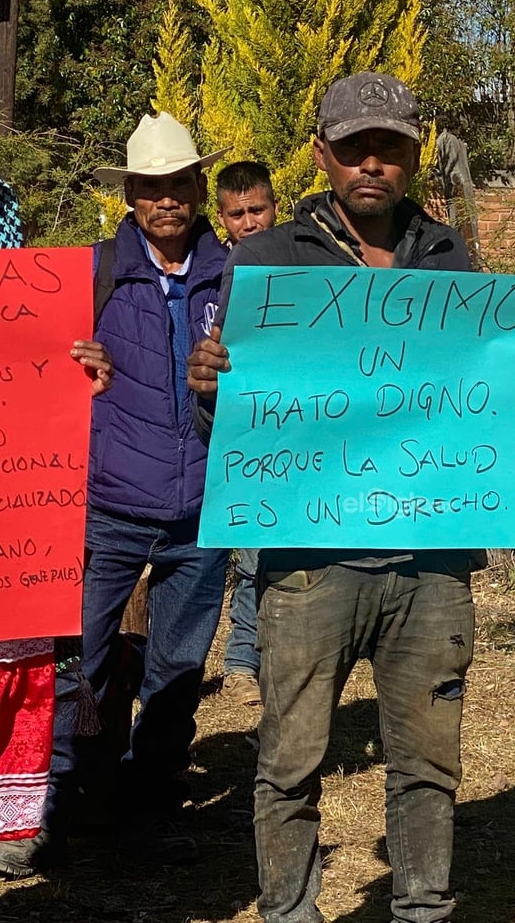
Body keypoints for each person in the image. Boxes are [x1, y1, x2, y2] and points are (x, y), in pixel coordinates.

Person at [188, 70, 515, 923]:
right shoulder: (269, 260)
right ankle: (290, 913)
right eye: (354, 149)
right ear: (322, 154)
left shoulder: (449, 254)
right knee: (290, 762)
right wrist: (208, 385)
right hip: (307, 565)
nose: (371, 164)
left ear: (414, 157)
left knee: (429, 765)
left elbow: (482, 379)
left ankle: (422, 910)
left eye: (391, 149)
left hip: (432, 563)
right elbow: (232, 414)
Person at [0, 112, 230, 878]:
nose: (165, 202)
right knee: (79, 667)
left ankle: (151, 808)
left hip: (204, 510)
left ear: (197, 188)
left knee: (177, 672)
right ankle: (61, 806)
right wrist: (73, 362)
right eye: (150, 189)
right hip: (108, 507)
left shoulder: (241, 280)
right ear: (130, 196)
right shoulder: (83, 276)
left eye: (177, 185)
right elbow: (25, 372)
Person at [0, 157, 112, 880]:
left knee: (8, 688)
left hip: (6, 547)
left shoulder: (19, 304)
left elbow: (43, 418)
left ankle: (13, 826)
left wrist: (84, 379)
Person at [214, 161, 279, 705]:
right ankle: (241, 660)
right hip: (247, 431)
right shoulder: (224, 269)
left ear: (273, 206)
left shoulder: (296, 261)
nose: (249, 222)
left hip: (299, 428)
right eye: (237, 214)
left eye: (257, 209)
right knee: (253, 553)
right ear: (223, 217)